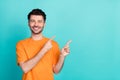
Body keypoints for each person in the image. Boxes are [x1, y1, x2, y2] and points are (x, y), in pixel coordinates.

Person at [16, 8, 72, 80]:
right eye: (33, 21)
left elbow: (56, 71)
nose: (36, 24)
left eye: (39, 21)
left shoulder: (53, 44)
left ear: (44, 24)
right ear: (28, 23)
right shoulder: (21, 44)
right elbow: (25, 68)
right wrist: (44, 49)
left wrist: (62, 56)